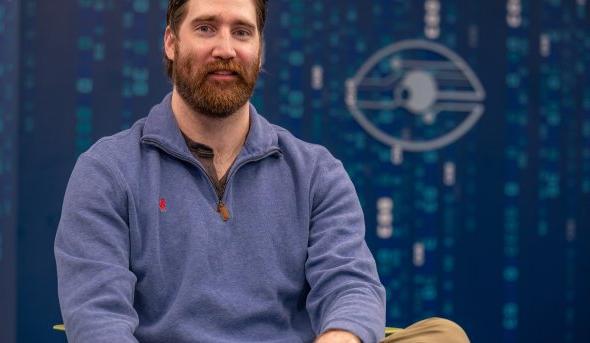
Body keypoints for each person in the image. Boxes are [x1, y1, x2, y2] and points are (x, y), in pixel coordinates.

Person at [54, 0, 470, 342]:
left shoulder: (315, 172)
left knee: (442, 336)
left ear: (260, 48)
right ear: (170, 43)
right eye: (205, 29)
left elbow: (350, 286)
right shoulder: (107, 171)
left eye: (241, 31)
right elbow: (97, 318)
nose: (225, 48)